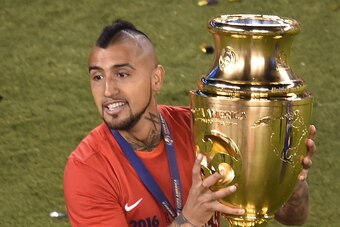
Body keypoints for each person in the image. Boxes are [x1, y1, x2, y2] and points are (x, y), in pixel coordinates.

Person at [63, 19, 316, 227]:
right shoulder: (88, 170)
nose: (108, 90)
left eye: (122, 74)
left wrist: (287, 179)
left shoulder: (202, 129)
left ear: (156, 79)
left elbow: (293, 217)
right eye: (97, 76)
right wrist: (190, 219)